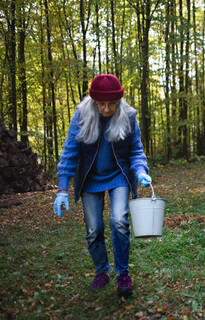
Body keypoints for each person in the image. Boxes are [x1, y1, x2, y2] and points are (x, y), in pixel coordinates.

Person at [53, 74, 152, 297]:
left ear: (119, 102)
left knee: (119, 221)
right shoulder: (81, 116)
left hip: (118, 176)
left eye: (112, 104)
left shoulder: (128, 116)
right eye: (101, 104)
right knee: (93, 229)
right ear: (93, 101)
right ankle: (101, 271)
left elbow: (136, 151)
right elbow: (69, 153)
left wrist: (141, 171)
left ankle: (123, 273)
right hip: (90, 178)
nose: (107, 109)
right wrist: (62, 189)